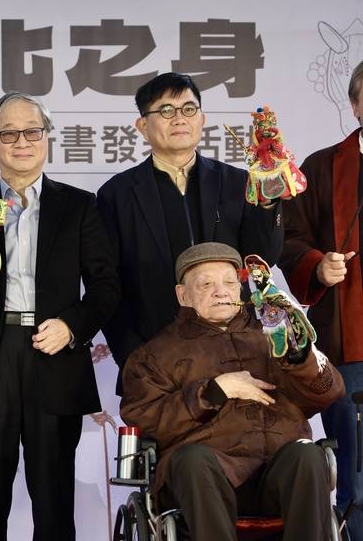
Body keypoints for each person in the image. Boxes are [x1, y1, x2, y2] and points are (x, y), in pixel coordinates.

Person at [0, 92, 120, 541]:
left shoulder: (78, 205)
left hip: (53, 354)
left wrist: (72, 327)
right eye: (8, 133)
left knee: (54, 504)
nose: (21, 141)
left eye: (31, 131)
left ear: (47, 138)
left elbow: (106, 288)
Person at [121, 242, 344, 541]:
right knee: (192, 459)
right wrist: (214, 391)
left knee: (307, 454)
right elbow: (144, 418)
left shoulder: (272, 332)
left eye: (229, 282)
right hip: (204, 481)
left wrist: (300, 357)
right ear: (182, 295)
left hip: (276, 475)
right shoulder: (155, 354)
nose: (221, 291)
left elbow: (329, 392)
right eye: (206, 284)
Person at [96, 72, 284, 394]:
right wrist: (132, 357)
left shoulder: (238, 182)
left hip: (237, 353)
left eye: (188, 109)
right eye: (166, 111)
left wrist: (267, 202)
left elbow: (263, 258)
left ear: (202, 119)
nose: (179, 119)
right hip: (156, 357)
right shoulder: (117, 195)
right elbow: (107, 284)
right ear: (143, 126)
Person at [280, 59, 363, 540]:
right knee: (353, 472)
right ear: (354, 105)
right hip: (349, 345)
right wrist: (318, 264)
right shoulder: (324, 167)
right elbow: (288, 238)